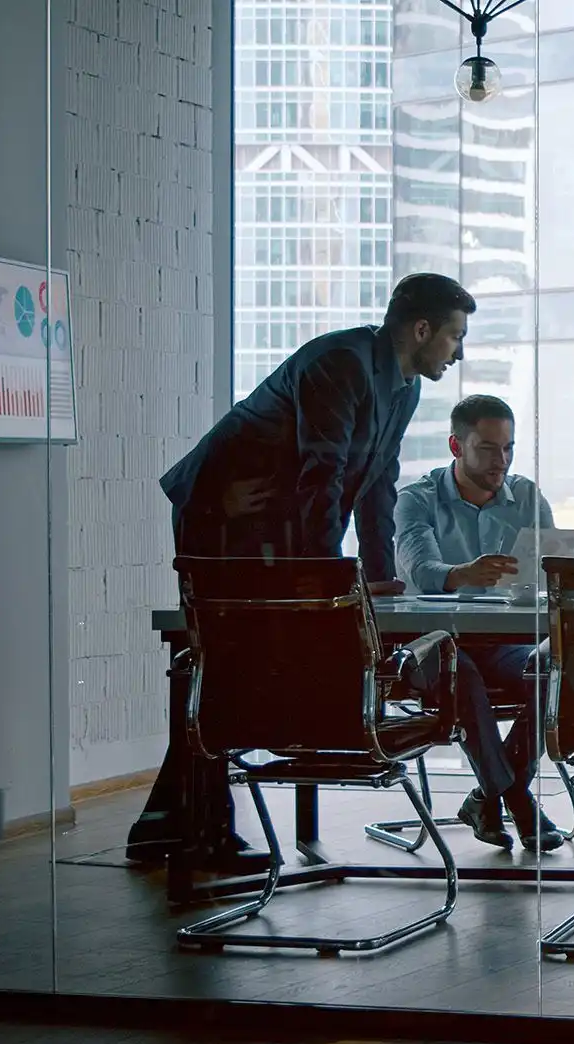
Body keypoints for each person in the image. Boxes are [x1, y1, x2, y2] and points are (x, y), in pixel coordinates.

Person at [127, 273, 476, 870]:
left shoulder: (404, 387)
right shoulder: (341, 363)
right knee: (227, 664)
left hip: (274, 522)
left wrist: (378, 579)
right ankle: (195, 830)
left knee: (237, 668)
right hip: (224, 512)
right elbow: (323, 476)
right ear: (422, 329)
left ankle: (173, 825)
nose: (459, 352)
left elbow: (376, 486)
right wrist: (331, 584)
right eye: (455, 336)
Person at [393, 394, 566, 852]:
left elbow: (551, 573)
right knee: (461, 675)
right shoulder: (417, 499)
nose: (501, 460)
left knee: (551, 670)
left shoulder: (526, 496)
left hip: (502, 642)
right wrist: (462, 574)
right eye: (488, 448)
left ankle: (488, 797)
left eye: (508, 448)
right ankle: (518, 800)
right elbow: (419, 570)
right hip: (432, 646)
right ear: (456, 445)